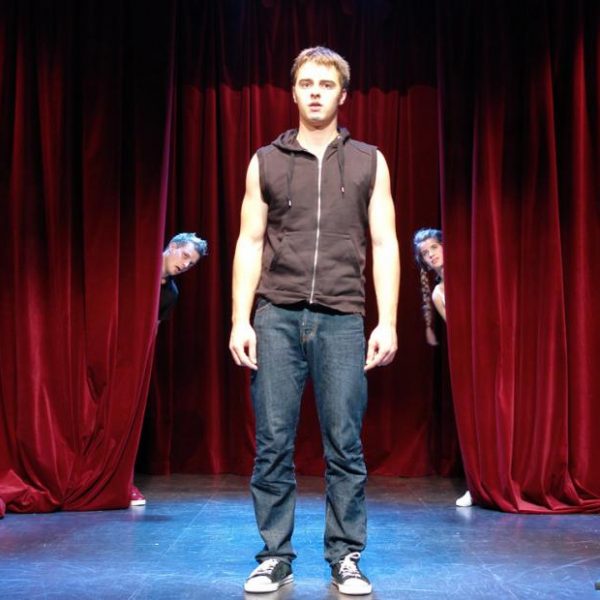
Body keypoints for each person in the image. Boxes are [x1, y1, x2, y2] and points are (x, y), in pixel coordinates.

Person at [229, 46, 400, 595]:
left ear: (342, 95)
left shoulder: (369, 160)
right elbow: (249, 241)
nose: (316, 93)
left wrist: (388, 321)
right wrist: (240, 319)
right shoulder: (266, 160)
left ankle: (345, 556)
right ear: (294, 91)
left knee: (345, 444)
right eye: (306, 84)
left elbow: (385, 242)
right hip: (276, 316)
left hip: (343, 318)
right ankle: (274, 556)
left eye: (326, 84)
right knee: (273, 443)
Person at [130, 232, 208, 507]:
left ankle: (122, 481)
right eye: (185, 256)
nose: (186, 265)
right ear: (172, 246)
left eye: (191, 263)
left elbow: (153, 330)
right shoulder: (137, 268)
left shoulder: (170, 294)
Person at [412, 228, 472, 508]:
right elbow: (458, 332)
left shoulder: (471, 274)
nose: (431, 255)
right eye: (425, 253)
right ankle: (477, 484)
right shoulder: (439, 294)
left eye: (434, 247)